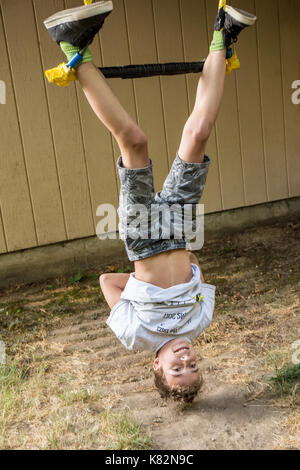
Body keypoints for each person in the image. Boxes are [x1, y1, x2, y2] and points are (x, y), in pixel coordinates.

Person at [44, 0, 257, 403]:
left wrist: (141, 286)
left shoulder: (134, 335)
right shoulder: (201, 319)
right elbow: (197, 270)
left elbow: (108, 281)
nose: (186, 360)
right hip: (180, 230)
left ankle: (73, 47)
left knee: (134, 142)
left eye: (177, 370)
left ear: (156, 366)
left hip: (142, 238)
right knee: (198, 135)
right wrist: (185, 259)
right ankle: (222, 35)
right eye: (193, 367)